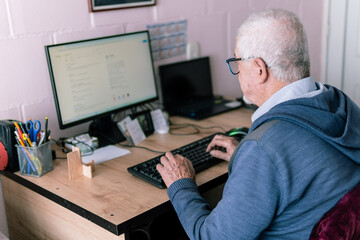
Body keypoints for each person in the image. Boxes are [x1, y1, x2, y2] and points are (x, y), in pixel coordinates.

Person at [156, 9, 360, 239]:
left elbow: (211, 237)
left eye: (237, 62)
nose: (237, 72)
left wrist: (181, 185)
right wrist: (244, 156)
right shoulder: (341, 105)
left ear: (259, 69)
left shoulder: (263, 149)